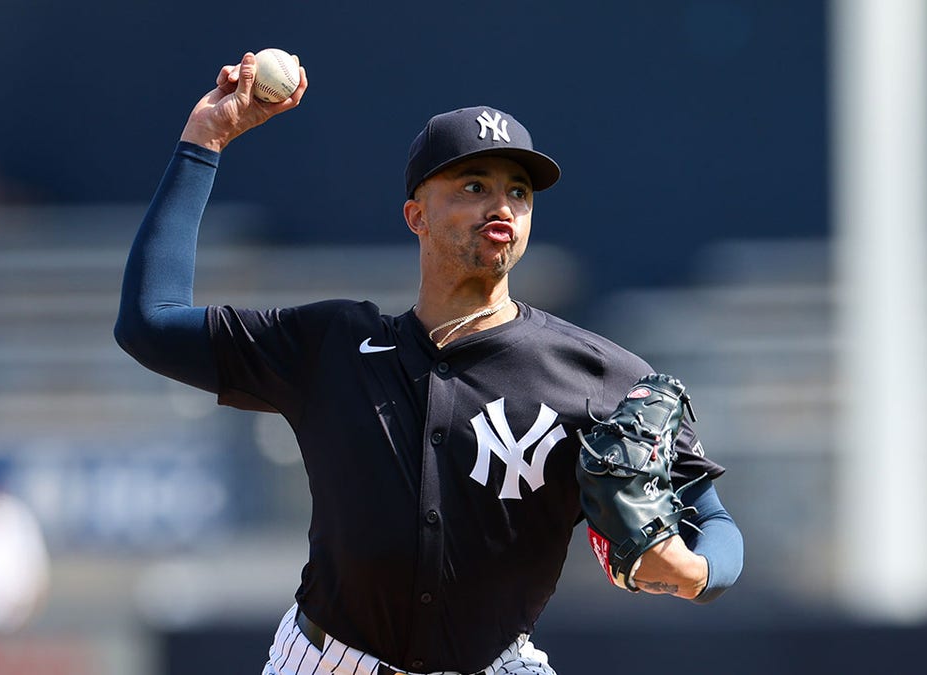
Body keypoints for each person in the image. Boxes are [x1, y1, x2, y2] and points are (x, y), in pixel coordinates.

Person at [115, 51, 743, 675]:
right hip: (330, 660)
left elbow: (712, 518)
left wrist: (701, 570)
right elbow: (150, 322)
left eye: (517, 191)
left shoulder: (597, 375)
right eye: (474, 186)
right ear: (416, 214)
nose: (501, 205)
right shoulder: (330, 345)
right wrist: (206, 138)